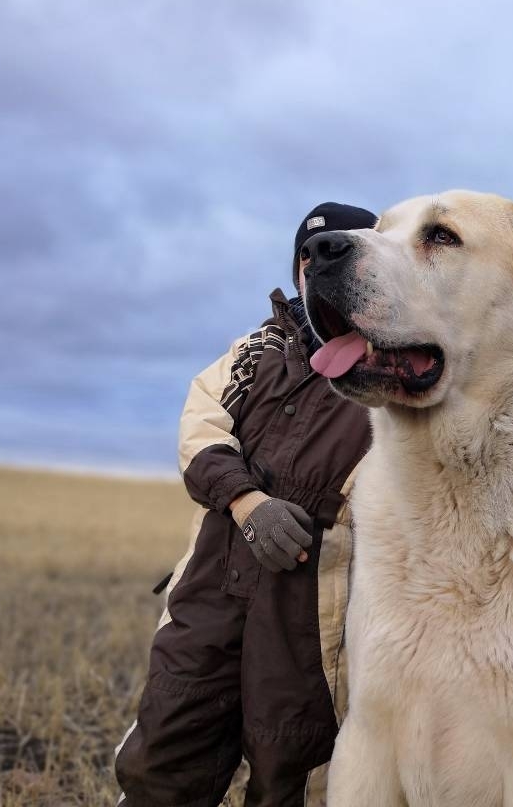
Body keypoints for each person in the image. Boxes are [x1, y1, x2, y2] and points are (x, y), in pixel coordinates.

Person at [115, 202, 377, 807]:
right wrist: (246, 500)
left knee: (296, 768)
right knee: (167, 745)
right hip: (209, 588)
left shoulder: (386, 368)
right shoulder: (259, 346)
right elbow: (200, 424)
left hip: (313, 615)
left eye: (339, 254)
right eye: (307, 259)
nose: (317, 271)